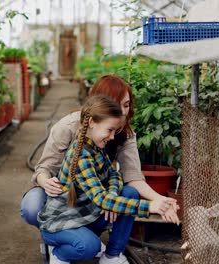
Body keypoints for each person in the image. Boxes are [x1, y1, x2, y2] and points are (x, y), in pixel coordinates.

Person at [20, 75, 179, 260]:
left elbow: (120, 176)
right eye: (115, 105)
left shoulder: (102, 142)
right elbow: (44, 168)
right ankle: (59, 243)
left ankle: (111, 255)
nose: (122, 112)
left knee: (129, 194)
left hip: (87, 201)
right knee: (34, 208)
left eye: (126, 105)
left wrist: (159, 201)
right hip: (62, 200)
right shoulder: (75, 140)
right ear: (98, 108)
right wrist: (151, 206)